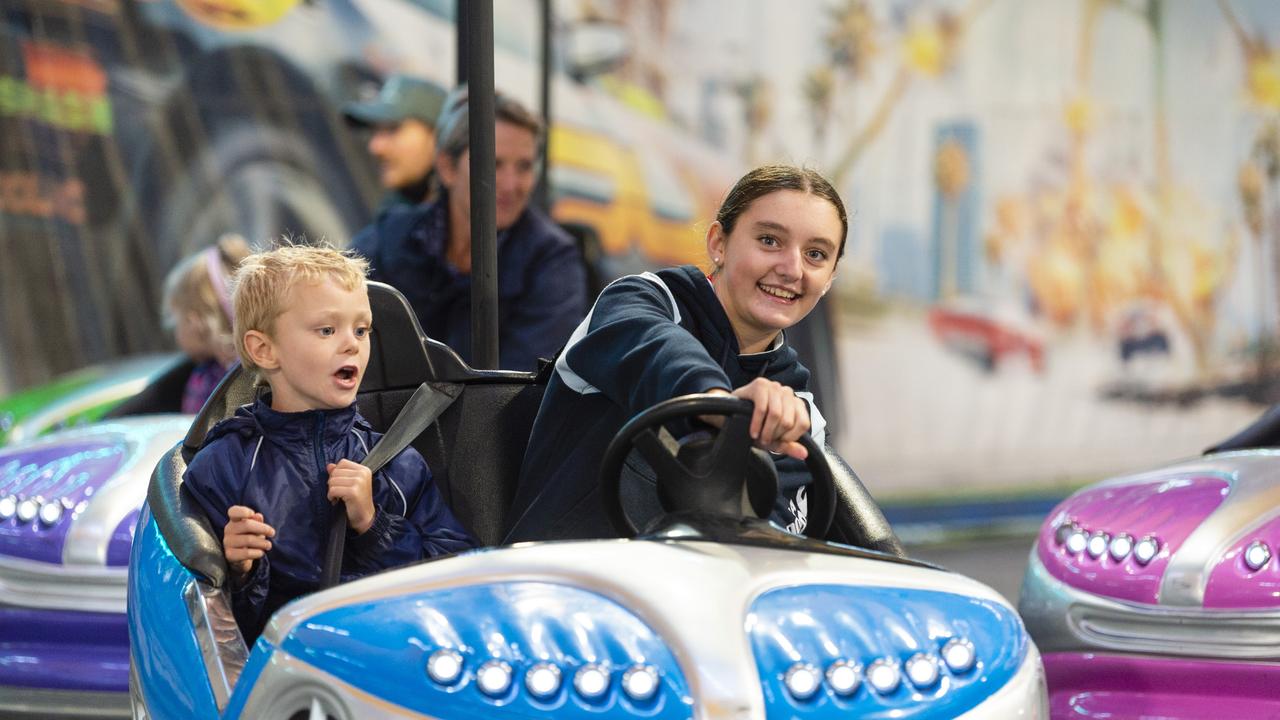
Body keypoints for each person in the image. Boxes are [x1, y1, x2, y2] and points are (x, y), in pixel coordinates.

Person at [505, 165, 846, 543]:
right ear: (718, 243)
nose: (791, 269)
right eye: (769, 241)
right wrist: (723, 407)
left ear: (829, 278)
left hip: (690, 597)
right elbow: (655, 348)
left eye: (815, 254)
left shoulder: (799, 410)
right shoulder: (636, 302)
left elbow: (772, 543)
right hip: (558, 584)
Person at [182, 244, 476, 644]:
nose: (352, 344)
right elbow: (214, 635)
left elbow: (461, 576)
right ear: (263, 350)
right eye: (327, 330)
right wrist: (241, 571)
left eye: (362, 330)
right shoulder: (224, 465)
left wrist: (375, 526)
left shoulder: (396, 463)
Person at [350, 88, 587, 371]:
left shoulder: (551, 260)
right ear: (447, 168)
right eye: (493, 164)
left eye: (524, 167)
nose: (511, 184)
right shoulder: (391, 234)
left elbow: (523, 390)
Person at [162, 233, 252, 413]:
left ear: (194, 321)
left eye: (175, 319)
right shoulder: (256, 372)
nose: (173, 329)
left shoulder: (205, 382)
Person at [343, 74, 449, 209]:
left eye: (393, 129)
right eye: (375, 131)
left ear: (438, 135)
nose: (375, 147)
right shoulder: (391, 215)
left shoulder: (467, 214)